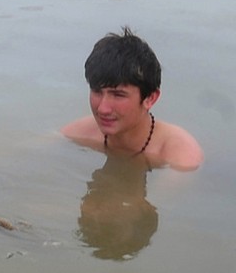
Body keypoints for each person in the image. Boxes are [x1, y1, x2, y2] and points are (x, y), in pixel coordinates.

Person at [62, 28, 203, 171]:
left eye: (118, 95)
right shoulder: (82, 132)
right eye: (97, 92)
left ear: (150, 98)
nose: (102, 109)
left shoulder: (180, 156)